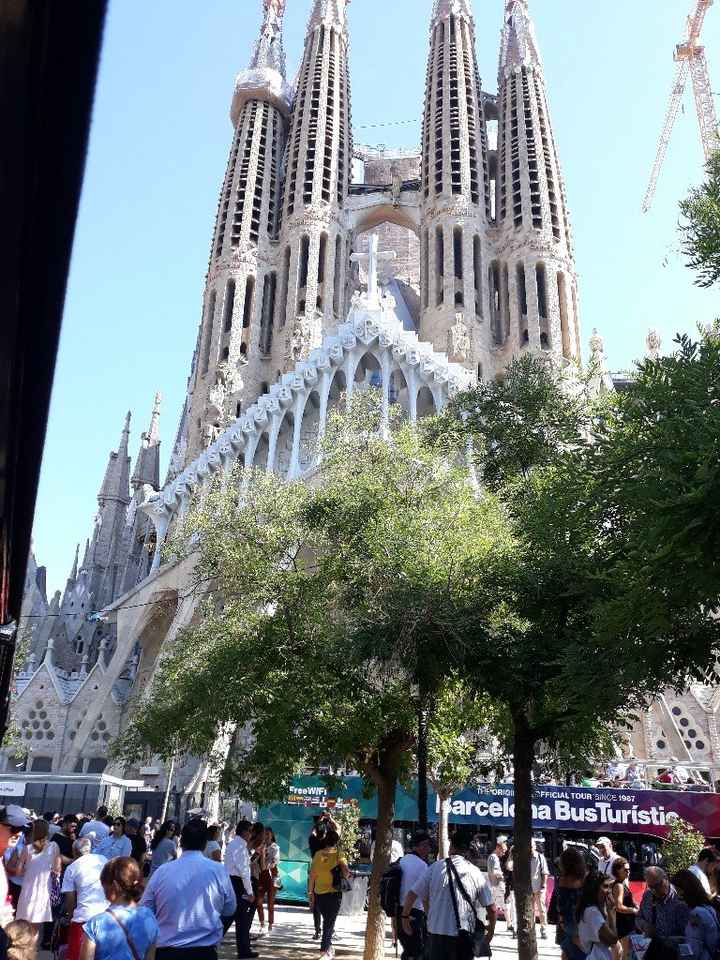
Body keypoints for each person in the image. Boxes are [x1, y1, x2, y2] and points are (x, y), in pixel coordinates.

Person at [141, 819, 236, 959]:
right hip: (204, 951)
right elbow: (230, 908)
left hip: (168, 950)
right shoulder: (218, 871)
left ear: (181, 842)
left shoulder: (162, 872)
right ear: (205, 844)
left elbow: (146, 909)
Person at [402, 826, 496, 960]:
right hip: (464, 937)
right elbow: (492, 909)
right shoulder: (475, 872)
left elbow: (412, 894)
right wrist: (490, 933)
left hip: (436, 936)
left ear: (451, 846)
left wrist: (405, 918)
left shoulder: (435, 868)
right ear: (468, 849)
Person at [80, 857, 158, 960]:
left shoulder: (96, 924)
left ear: (115, 886)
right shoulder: (149, 917)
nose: (103, 891)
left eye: (104, 886)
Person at [61, 837, 109, 960]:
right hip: (107, 916)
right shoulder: (103, 859)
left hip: (83, 919)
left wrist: (70, 916)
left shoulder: (72, 868)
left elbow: (70, 899)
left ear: (75, 852)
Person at [308, 828, 351, 960]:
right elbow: (345, 870)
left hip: (319, 893)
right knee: (329, 923)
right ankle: (324, 950)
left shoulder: (317, 854)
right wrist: (346, 874)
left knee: (327, 921)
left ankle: (329, 947)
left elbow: (312, 875)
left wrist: (310, 893)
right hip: (334, 893)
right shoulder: (338, 854)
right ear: (336, 842)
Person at [15, 819, 61, 932]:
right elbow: (57, 869)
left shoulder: (27, 848)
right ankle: (32, 949)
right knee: (35, 929)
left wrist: (28, 871)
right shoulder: (54, 846)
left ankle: (22, 948)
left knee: (23, 926)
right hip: (44, 891)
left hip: (27, 890)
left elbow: (18, 871)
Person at [637, 866, 690, 951]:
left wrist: (665, 940)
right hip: (651, 951)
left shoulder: (679, 899)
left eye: (657, 885)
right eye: (651, 887)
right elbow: (638, 918)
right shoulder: (648, 895)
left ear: (666, 878)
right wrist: (644, 925)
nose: (654, 890)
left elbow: (688, 937)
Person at [396, 831, 431, 960]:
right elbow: (425, 895)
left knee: (408, 949)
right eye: (425, 845)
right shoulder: (422, 866)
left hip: (399, 911)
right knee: (417, 951)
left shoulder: (401, 861)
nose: (428, 849)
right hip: (414, 913)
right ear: (417, 846)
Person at [671, 869, 720, 960]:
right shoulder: (709, 908)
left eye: (678, 890)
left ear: (684, 890)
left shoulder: (696, 914)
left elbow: (692, 950)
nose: (677, 895)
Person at [224, 820, 255, 960]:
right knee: (230, 917)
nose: (251, 834)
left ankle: (244, 950)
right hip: (237, 884)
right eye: (250, 831)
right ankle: (209, 943)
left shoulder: (235, 844)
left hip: (232, 883)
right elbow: (244, 872)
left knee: (241, 918)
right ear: (244, 832)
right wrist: (250, 892)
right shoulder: (240, 847)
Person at [577, 873, 619, 960]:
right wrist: (611, 913)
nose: (609, 891)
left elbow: (606, 940)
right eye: (605, 886)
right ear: (594, 888)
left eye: (610, 887)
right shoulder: (592, 912)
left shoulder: (593, 910)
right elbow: (613, 939)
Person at [611, 858, 638, 958]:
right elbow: (618, 906)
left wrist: (634, 905)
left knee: (622, 953)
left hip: (624, 923)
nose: (628, 872)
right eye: (625, 870)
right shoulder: (619, 886)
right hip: (624, 925)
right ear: (617, 870)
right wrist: (634, 910)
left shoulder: (621, 883)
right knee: (626, 954)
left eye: (629, 870)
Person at [256, 828, 280, 935]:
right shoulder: (260, 846)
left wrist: (267, 863)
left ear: (272, 835)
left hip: (273, 876)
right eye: (264, 834)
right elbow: (254, 860)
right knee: (258, 901)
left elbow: (274, 862)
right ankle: (262, 923)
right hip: (261, 876)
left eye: (268, 834)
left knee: (271, 902)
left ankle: (270, 925)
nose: (266, 836)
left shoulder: (275, 847)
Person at [486, 837, 508, 932]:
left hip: (496, 886)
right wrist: (501, 874)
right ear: (498, 847)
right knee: (504, 906)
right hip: (496, 886)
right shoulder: (494, 858)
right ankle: (492, 926)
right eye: (503, 850)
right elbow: (492, 872)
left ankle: (510, 923)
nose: (504, 853)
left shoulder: (494, 857)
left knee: (505, 906)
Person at [530, 838, 549, 939]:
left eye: (531, 846)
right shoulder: (525, 858)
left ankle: (543, 929)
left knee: (541, 910)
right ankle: (531, 929)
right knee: (530, 910)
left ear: (534, 846)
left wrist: (543, 886)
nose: (529, 848)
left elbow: (545, 873)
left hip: (539, 889)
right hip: (529, 890)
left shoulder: (540, 857)